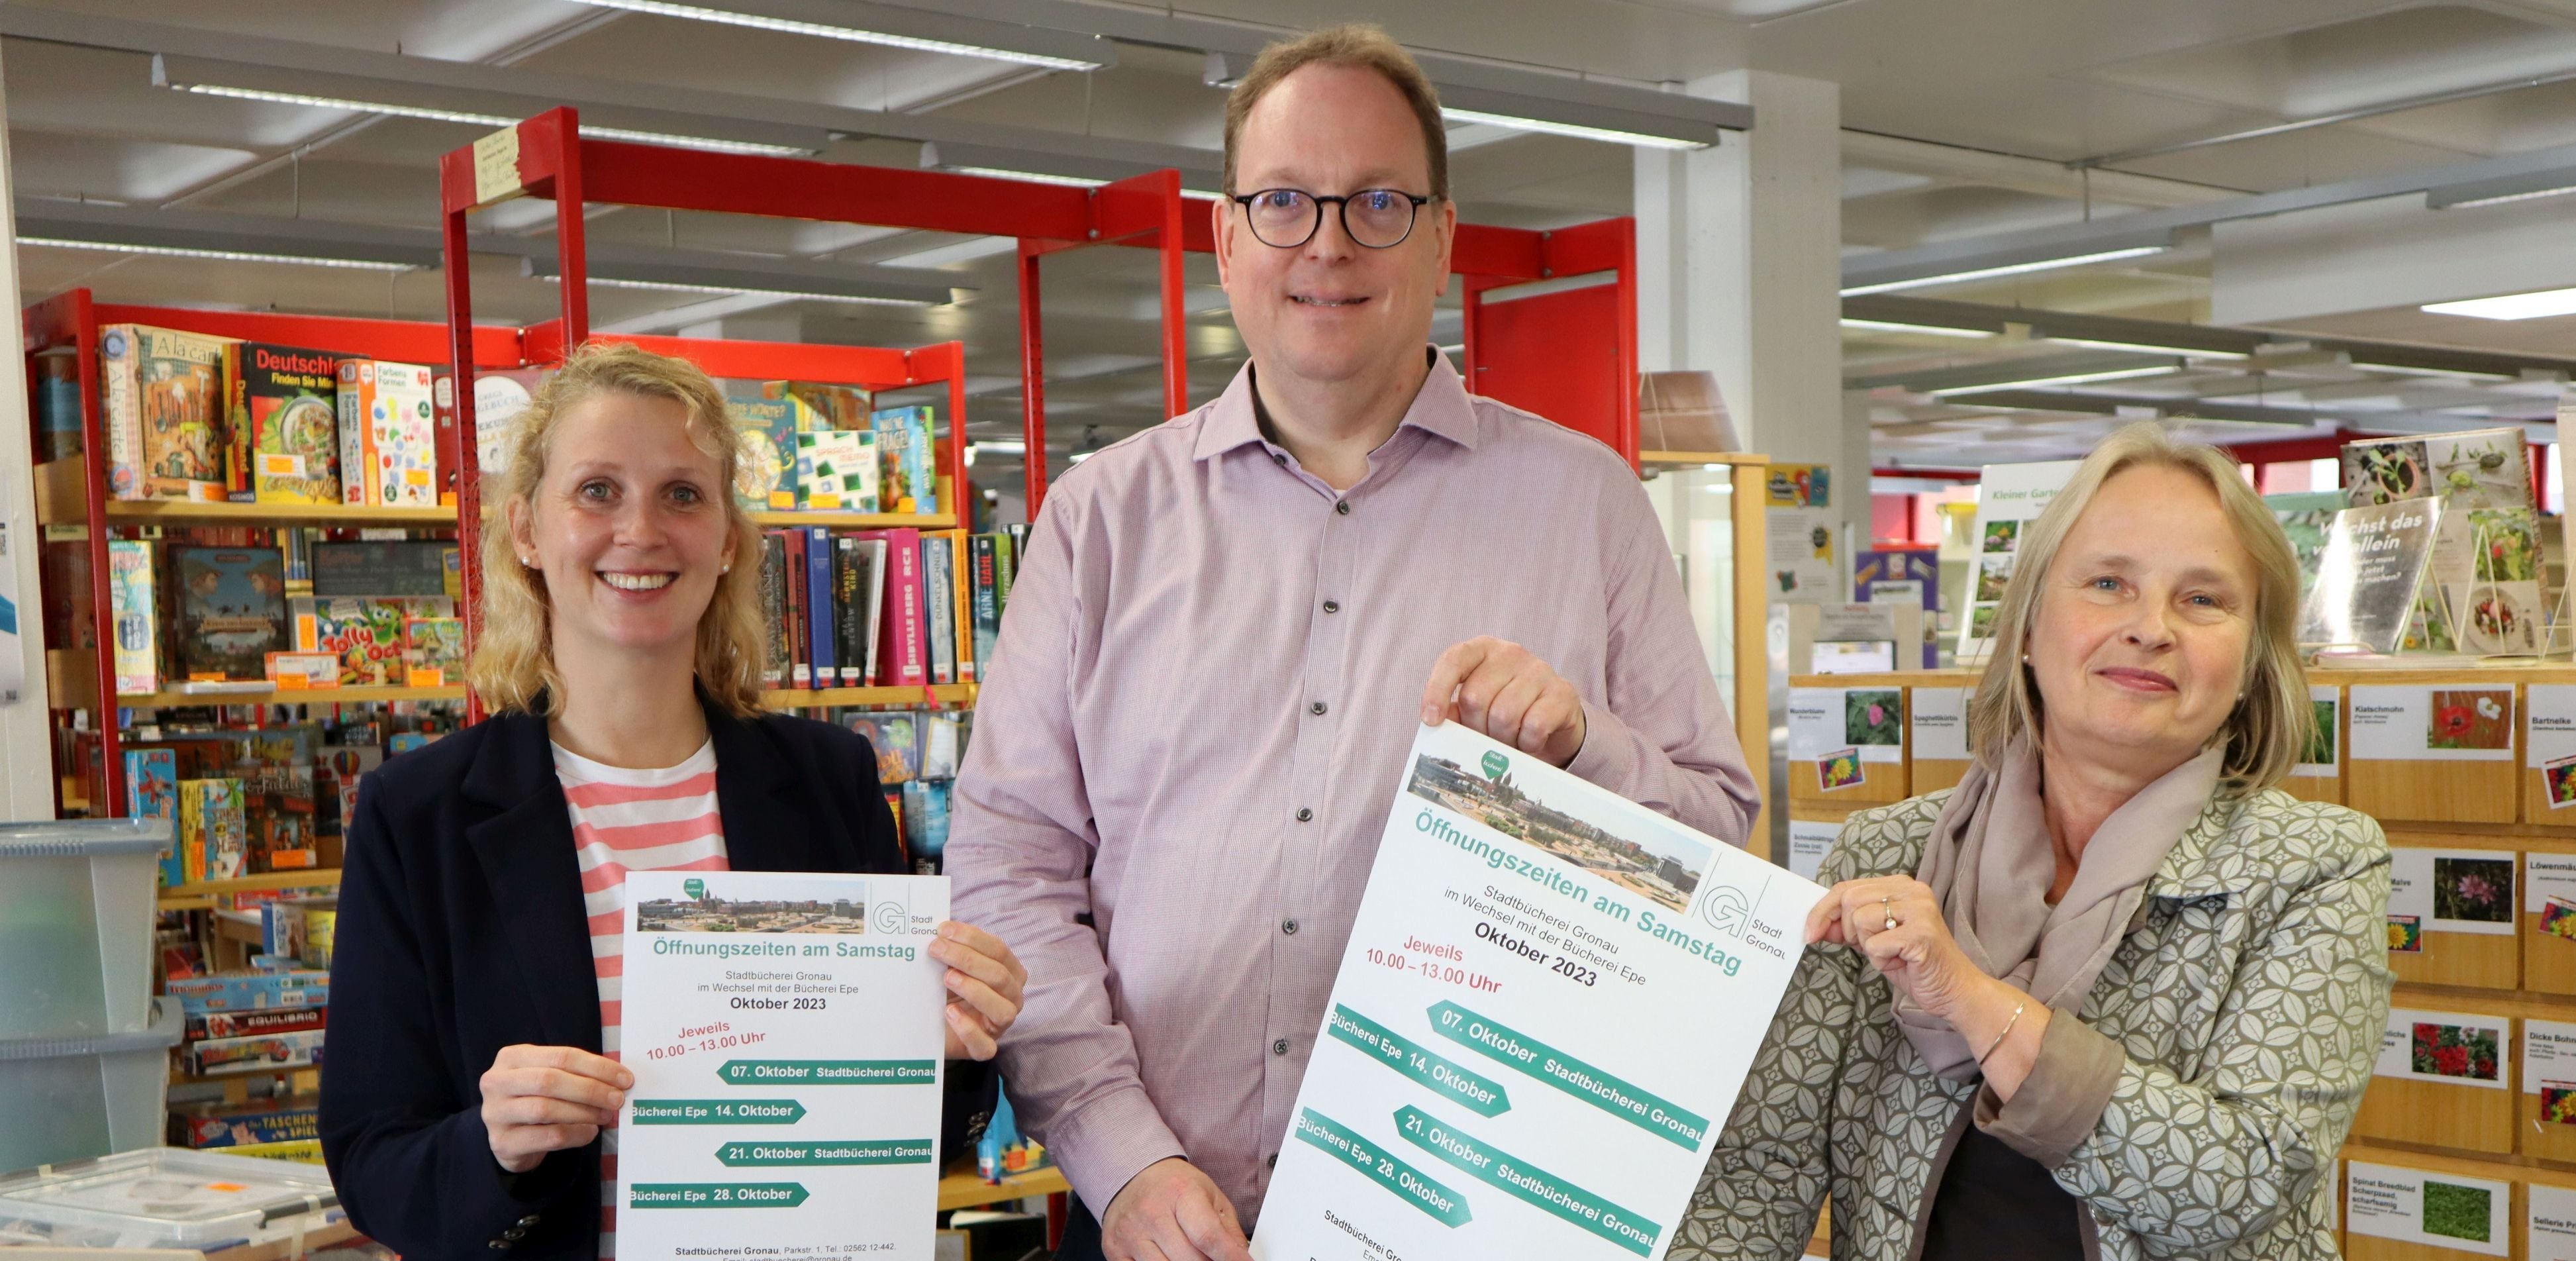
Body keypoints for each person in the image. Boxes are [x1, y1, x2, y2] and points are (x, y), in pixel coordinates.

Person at [946, 23, 1758, 1261]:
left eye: (1377, 200)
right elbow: (1012, 868)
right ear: (1226, 239)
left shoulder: (1587, 504)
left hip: (1477, 1219)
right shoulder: (1100, 518)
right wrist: (1123, 1154)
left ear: (1440, 237)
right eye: (1283, 201)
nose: (1326, 242)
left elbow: (1716, 850)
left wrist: (1586, 747)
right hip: (1153, 1226)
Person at [321, 343, 1028, 1260]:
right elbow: (374, 1166)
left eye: (683, 494)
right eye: (597, 491)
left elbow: (900, 1152)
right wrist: (495, 1145)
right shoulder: (420, 818)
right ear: (528, 530)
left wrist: (954, 1052)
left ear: (729, 537)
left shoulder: (828, 782)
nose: (641, 531)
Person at [1671, 422, 2392, 1261]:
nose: (2151, 626)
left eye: (2203, 599)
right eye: (2107, 582)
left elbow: (2246, 1182)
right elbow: (1764, 1168)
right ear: (2023, 627)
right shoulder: (1885, 851)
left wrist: (1970, 996)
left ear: (2250, 665)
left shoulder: (2316, 865)